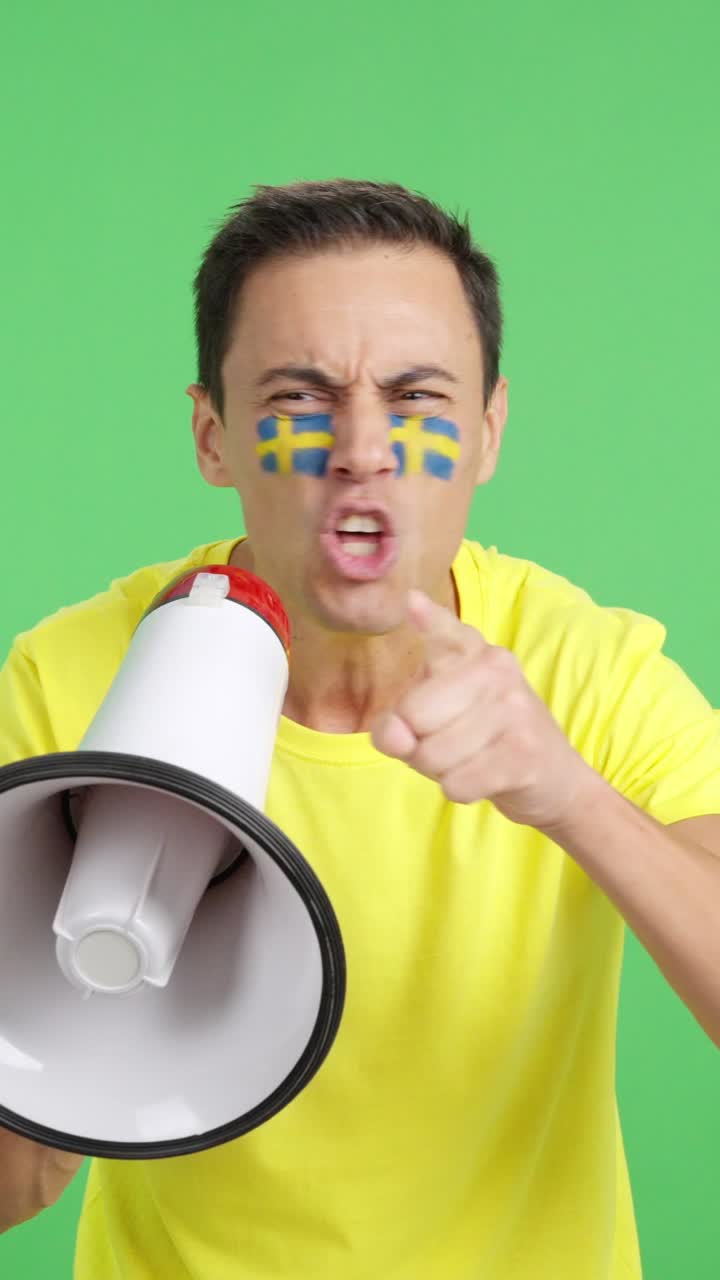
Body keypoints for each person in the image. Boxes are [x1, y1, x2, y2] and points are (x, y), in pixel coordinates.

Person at [1, 179, 719, 1279]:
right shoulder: (73, 677)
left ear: (487, 434)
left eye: (418, 398)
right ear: (213, 435)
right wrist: (67, 1018)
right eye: (301, 396)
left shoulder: (588, 667)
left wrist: (570, 794)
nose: (363, 448)